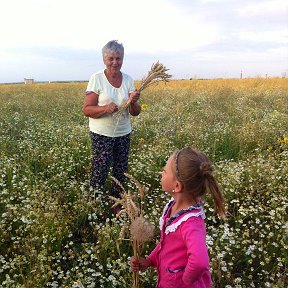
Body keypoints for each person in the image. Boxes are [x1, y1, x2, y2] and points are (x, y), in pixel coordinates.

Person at [131, 147, 225, 288]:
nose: (161, 173)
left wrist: (185, 281)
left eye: (164, 171)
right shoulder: (174, 207)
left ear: (177, 186)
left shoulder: (190, 223)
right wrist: (150, 261)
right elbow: (167, 245)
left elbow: (200, 261)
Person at [83, 40, 141, 208]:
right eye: (111, 58)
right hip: (102, 134)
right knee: (100, 168)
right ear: (104, 59)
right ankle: (95, 202)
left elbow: (135, 112)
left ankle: (117, 203)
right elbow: (87, 109)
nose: (115, 62)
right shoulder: (97, 79)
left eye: (118, 58)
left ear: (122, 59)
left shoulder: (129, 80)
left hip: (123, 132)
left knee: (120, 169)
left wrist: (134, 102)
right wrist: (106, 108)